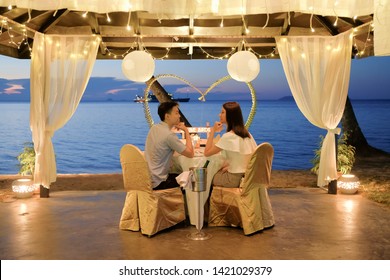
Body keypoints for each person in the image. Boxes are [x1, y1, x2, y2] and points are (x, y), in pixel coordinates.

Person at [204, 101, 257, 188]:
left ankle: (208, 201)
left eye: (222, 112)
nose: (219, 115)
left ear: (230, 115)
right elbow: (244, 157)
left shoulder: (228, 136)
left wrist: (212, 130)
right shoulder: (247, 134)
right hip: (247, 178)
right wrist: (230, 166)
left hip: (233, 179)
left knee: (206, 177)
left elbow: (207, 152)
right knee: (219, 171)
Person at [145, 101, 194, 190]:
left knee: (179, 174)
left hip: (149, 179)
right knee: (193, 178)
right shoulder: (169, 135)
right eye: (176, 113)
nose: (179, 116)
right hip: (160, 182)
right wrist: (186, 131)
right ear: (167, 116)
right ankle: (190, 204)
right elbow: (190, 154)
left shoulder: (154, 128)